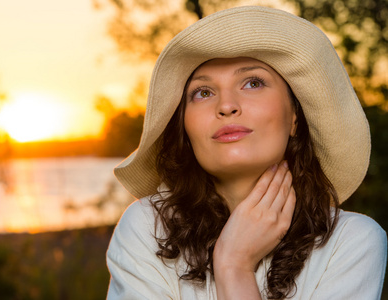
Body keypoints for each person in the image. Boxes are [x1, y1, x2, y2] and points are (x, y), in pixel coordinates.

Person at [106, 6, 387, 300]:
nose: (226, 105)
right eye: (203, 92)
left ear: (295, 117)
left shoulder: (352, 243)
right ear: (185, 129)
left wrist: (234, 266)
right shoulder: (146, 228)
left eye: (253, 83)